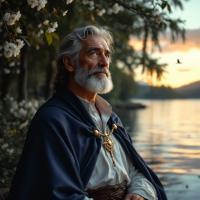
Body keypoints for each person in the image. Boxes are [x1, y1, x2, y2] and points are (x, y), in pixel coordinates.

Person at [7, 25, 167, 200]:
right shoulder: (52, 120)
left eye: (107, 55)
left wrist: (138, 193)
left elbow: (136, 171)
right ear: (69, 63)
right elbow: (59, 194)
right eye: (94, 53)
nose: (104, 62)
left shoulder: (111, 118)